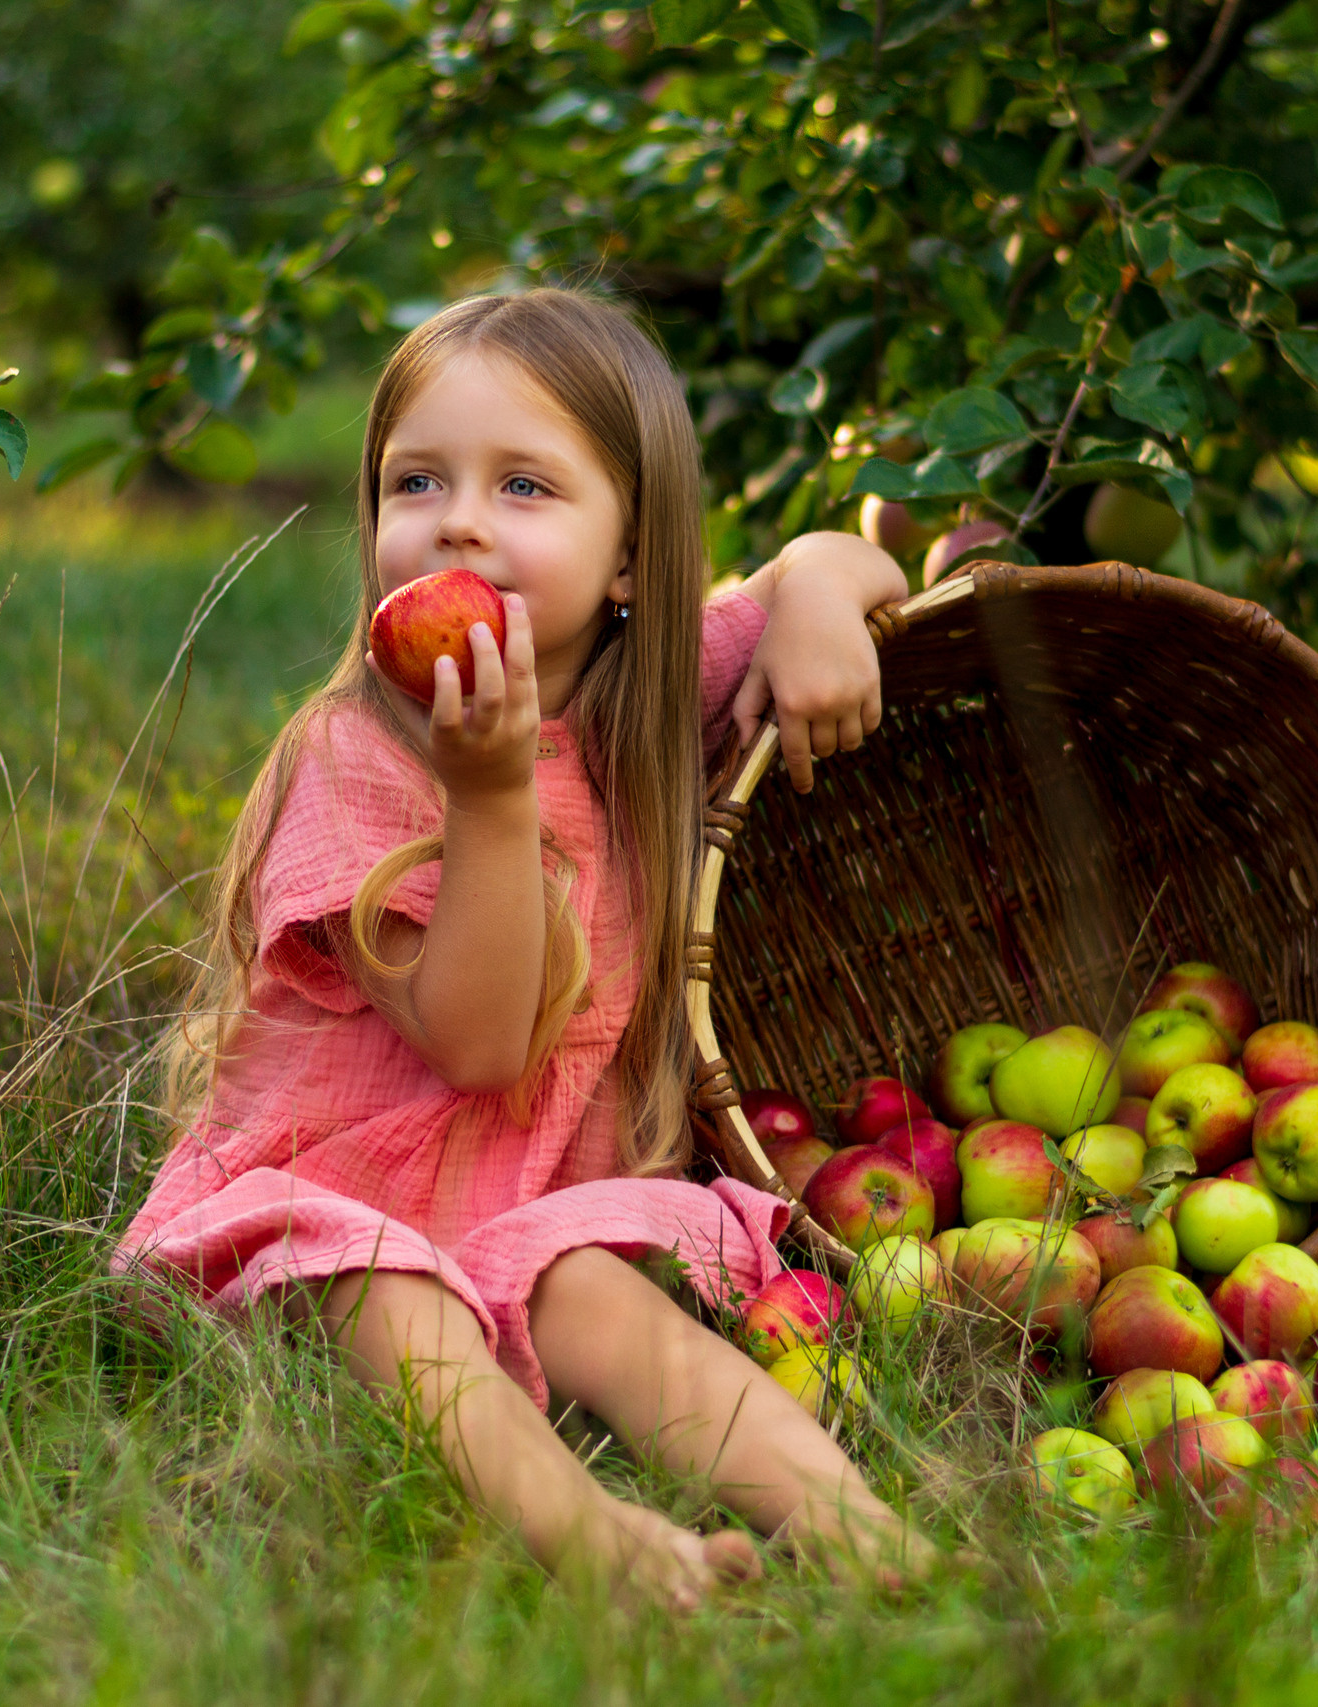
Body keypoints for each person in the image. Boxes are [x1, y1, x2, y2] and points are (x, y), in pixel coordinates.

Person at [116, 288, 923, 1609]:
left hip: (535, 1202)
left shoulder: (649, 697)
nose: (461, 520)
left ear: (631, 564)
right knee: (394, 1297)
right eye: (416, 480)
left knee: (602, 1299)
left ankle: (870, 1539)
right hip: (349, 1201)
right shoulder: (358, 758)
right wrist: (488, 801)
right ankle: (592, 1539)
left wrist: (825, 593)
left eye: (526, 486)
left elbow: (843, 561)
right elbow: (482, 1044)